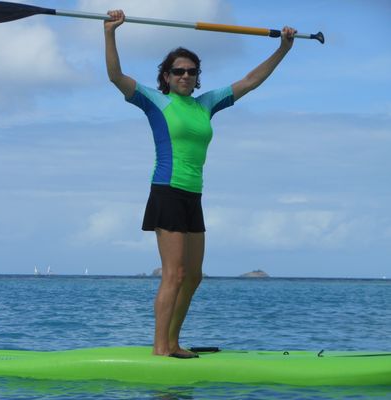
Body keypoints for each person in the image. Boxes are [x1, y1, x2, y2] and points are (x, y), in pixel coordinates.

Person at [104, 9, 296, 358]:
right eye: (179, 71)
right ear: (166, 75)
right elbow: (115, 75)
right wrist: (110, 32)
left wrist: (283, 49)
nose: (186, 76)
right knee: (173, 275)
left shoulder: (206, 104)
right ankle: (160, 348)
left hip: (194, 195)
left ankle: (173, 343)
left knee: (194, 277)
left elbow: (251, 80)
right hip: (167, 191)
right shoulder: (155, 100)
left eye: (192, 72)